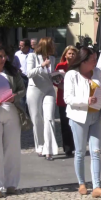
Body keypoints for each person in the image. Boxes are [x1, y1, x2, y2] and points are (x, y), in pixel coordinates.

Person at [64, 47, 101, 198]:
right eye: (93, 60)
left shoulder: (96, 72)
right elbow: (68, 98)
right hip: (78, 118)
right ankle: (82, 183)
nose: (96, 62)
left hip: (95, 117)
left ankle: (97, 186)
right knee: (80, 152)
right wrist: (85, 101)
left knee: (96, 151)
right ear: (83, 61)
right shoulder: (72, 75)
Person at [27, 37, 58, 161]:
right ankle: (40, 146)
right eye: (52, 45)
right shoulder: (32, 57)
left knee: (49, 118)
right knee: (37, 119)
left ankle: (48, 150)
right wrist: (42, 65)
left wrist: (57, 77)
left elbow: (50, 75)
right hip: (34, 89)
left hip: (49, 89)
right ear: (46, 46)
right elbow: (29, 73)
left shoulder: (52, 58)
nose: (54, 47)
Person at [0, 46, 25, 197]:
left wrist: (15, 96)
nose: (2, 59)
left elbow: (22, 89)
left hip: (10, 110)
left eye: (3, 56)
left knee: (12, 149)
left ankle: (11, 183)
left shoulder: (12, 72)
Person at [54, 46, 78, 157]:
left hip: (76, 98)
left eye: (73, 53)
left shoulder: (78, 66)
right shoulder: (60, 66)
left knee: (76, 124)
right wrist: (61, 85)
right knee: (65, 124)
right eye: (69, 53)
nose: (71, 55)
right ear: (65, 55)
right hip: (63, 98)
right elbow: (55, 81)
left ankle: (76, 146)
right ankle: (67, 148)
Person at [13, 38, 33, 112]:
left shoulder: (33, 54)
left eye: (21, 45)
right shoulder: (17, 54)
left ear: (27, 47)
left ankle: (29, 114)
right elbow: (14, 65)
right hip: (21, 77)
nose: (19, 47)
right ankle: (23, 115)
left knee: (30, 98)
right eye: (19, 45)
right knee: (22, 98)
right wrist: (17, 69)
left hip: (31, 78)